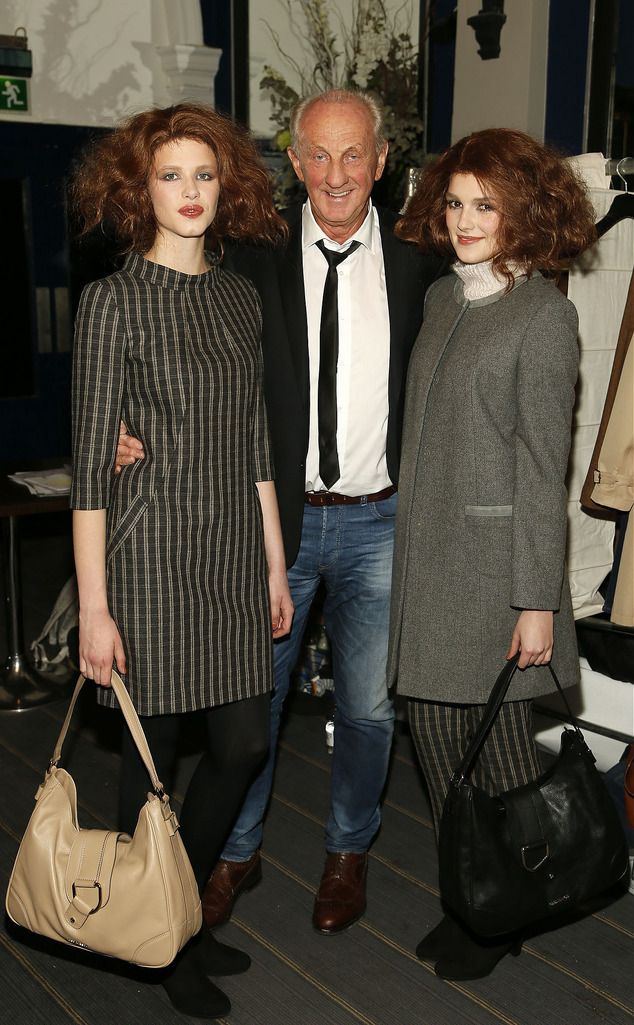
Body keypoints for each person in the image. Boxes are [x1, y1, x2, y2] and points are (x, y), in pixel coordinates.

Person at [116, 89, 443, 935]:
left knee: (370, 710)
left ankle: (348, 849)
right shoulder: (248, 260)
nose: (337, 174)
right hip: (273, 525)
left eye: (354, 155)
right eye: (318, 156)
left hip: (381, 520)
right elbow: (182, 343)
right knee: (249, 707)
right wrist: (126, 420)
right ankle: (235, 849)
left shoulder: (419, 265)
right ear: (293, 164)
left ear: (381, 162)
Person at [70, 102, 293, 1020]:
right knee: (151, 773)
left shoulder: (240, 295)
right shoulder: (112, 301)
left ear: (227, 182)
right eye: (170, 175)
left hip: (235, 558)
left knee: (243, 743)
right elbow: (89, 470)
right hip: (148, 558)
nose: (190, 192)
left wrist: (277, 564)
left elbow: (254, 444)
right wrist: (93, 605)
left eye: (205, 174)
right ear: (139, 188)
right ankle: (161, 944)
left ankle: (180, 915)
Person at [387, 127, 597, 980]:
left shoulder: (544, 316)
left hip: (494, 580)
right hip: (427, 569)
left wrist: (538, 599)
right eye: (458, 201)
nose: (467, 218)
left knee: (496, 759)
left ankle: (503, 909)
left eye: (488, 204)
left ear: (525, 213)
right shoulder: (444, 297)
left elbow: (546, 468)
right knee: (441, 748)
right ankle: (475, 894)